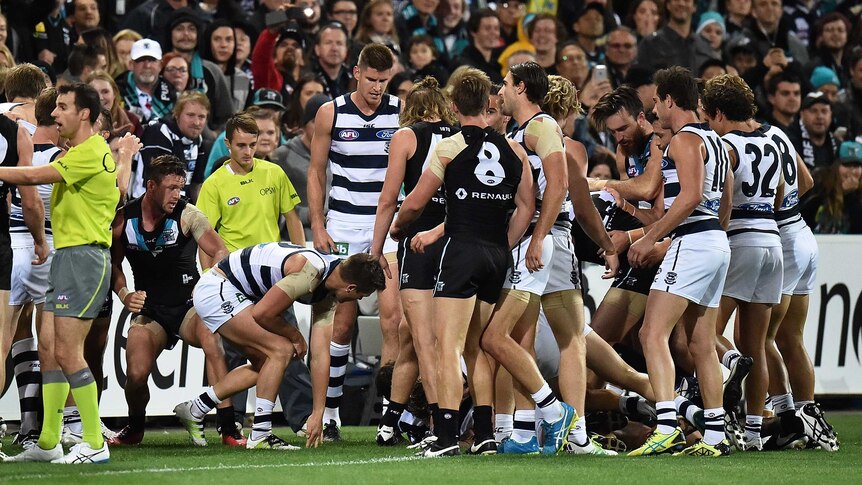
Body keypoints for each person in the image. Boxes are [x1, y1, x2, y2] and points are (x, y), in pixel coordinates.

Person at [391, 66, 534, 457]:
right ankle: (486, 435)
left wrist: (400, 227)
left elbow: (417, 201)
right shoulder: (514, 149)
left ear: (453, 106)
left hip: (461, 251)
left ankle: (447, 437)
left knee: (446, 347)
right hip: (496, 255)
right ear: (490, 103)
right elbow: (527, 205)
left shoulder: (449, 147)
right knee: (477, 347)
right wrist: (504, 242)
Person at [1, 83, 140, 464]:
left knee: (66, 351)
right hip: (67, 256)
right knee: (50, 349)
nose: (54, 114)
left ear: (84, 114)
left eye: (62, 107)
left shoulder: (90, 152)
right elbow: (119, 189)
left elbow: (33, 176)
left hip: (83, 259)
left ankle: (93, 441)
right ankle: (48, 441)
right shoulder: (85, 151)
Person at [175, 245, 385, 449]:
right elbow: (262, 314)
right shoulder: (310, 272)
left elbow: (320, 356)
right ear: (351, 288)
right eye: (361, 296)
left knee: (266, 364)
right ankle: (260, 434)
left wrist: (318, 412)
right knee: (281, 350)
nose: (358, 300)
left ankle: (196, 408)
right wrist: (296, 336)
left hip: (235, 291)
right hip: (219, 288)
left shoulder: (329, 283)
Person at [624, 67, 732, 457]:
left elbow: (688, 198)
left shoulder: (684, 140)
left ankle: (666, 425)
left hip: (694, 241)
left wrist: (652, 237)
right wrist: (714, 237)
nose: (654, 108)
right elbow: (725, 202)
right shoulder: (716, 141)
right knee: (702, 342)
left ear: (670, 100)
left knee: (651, 333)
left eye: (656, 101)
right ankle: (716, 435)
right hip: (716, 242)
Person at [307, 43, 401, 441]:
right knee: (340, 321)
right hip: (344, 225)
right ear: (357, 72)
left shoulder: (400, 111)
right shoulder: (331, 111)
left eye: (385, 80)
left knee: (393, 318)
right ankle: (329, 414)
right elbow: (315, 172)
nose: (378, 87)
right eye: (373, 79)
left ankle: (390, 417)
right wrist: (318, 224)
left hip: (389, 224)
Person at [195, 112, 309, 440]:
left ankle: (301, 420)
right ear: (227, 144)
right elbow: (204, 234)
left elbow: (293, 218)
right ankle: (232, 425)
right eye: (240, 145)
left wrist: (302, 263)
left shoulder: (274, 173)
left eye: (253, 144)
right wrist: (208, 277)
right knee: (233, 354)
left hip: (273, 279)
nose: (247, 151)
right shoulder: (215, 184)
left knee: (289, 347)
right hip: (233, 282)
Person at [107, 155, 233, 446]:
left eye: (181, 187)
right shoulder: (124, 219)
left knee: (212, 342)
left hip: (188, 307)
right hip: (151, 311)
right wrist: (125, 294)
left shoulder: (189, 215)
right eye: (171, 188)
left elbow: (219, 252)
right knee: (136, 374)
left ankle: (229, 428)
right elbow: (113, 266)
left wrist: (209, 285)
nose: (177, 195)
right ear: (151, 186)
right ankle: (135, 427)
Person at [372, 76, 457, 445]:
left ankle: (441, 426)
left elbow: (390, 198)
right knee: (418, 338)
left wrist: (376, 250)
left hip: (418, 241)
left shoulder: (405, 137)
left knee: (424, 340)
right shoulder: (461, 135)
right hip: (455, 239)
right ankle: (390, 422)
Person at [701, 74, 783, 451]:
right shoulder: (774, 139)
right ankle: (754, 432)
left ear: (719, 113)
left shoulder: (726, 144)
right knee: (757, 342)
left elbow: (723, 199)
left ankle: (723, 402)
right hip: (773, 240)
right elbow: (784, 193)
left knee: (706, 333)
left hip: (741, 239)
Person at [0, 88, 50, 449]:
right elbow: (29, 199)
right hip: (13, 241)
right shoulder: (15, 132)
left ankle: (35, 426)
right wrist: (39, 239)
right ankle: (51, 429)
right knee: (3, 341)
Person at [134, 91, 210, 201]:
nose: (196, 122)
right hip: (146, 205)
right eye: (190, 115)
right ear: (177, 115)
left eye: (201, 117)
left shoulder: (199, 140)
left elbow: (196, 184)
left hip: (177, 204)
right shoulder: (159, 132)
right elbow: (162, 183)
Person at [116, 38, 177, 125]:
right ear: (131, 64)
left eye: (152, 60)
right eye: (141, 60)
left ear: (160, 65)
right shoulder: (116, 91)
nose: (147, 66)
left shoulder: (172, 94)